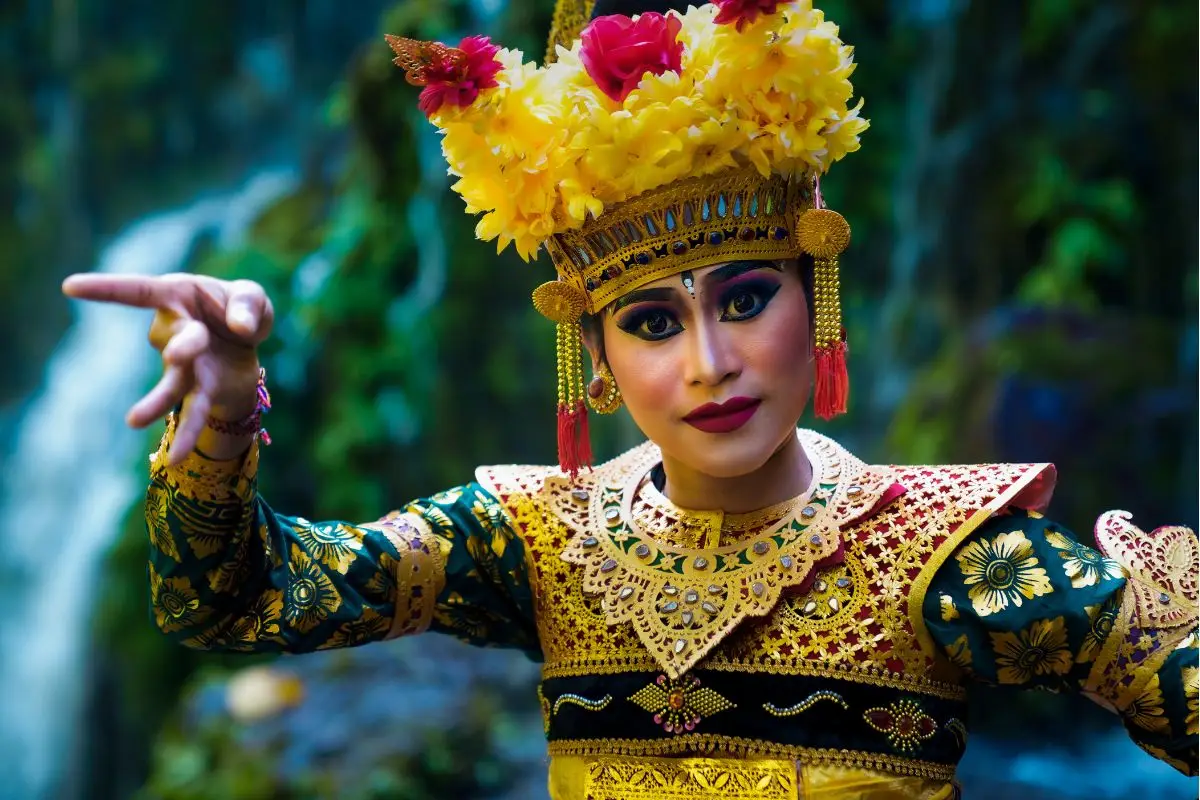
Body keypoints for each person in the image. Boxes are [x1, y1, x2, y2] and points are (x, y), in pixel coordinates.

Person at [63, 0, 1197, 797]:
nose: (709, 360)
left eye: (747, 299)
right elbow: (236, 599)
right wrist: (218, 410)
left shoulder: (945, 553)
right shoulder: (536, 541)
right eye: (653, 321)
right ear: (596, 356)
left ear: (819, 297)